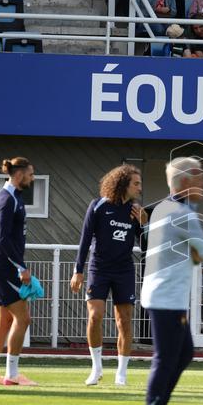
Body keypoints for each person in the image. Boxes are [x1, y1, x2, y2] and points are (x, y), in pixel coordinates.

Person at [133, 157, 203, 405]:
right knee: (167, 358)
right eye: (200, 178)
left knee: (182, 354)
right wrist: (197, 250)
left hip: (164, 292)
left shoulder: (163, 208)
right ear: (186, 181)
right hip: (167, 295)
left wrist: (194, 250)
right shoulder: (182, 213)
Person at [70, 165, 147, 388]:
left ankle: (121, 373)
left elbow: (145, 246)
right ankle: (96, 368)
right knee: (95, 316)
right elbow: (85, 240)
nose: (139, 188)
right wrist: (78, 270)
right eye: (136, 183)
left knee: (124, 321)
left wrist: (144, 224)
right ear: (123, 183)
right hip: (99, 269)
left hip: (124, 270)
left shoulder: (135, 211)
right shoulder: (98, 205)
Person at [0, 157, 38, 387]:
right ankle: (12, 374)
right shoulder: (7, 200)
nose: (32, 179)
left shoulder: (13, 198)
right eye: (31, 175)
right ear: (19, 174)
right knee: (23, 319)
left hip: (1, 267)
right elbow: (3, 239)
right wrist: (21, 268)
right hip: (7, 267)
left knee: (3, 321)